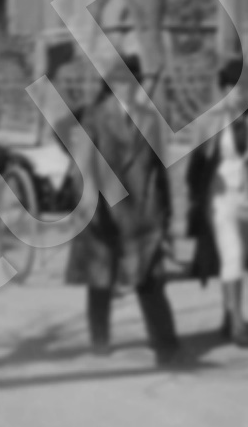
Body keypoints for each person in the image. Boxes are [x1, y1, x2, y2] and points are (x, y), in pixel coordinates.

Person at [64, 53, 180, 365]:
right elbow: (82, 168)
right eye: (120, 82)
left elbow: (159, 169)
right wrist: (90, 207)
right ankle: (100, 337)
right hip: (104, 209)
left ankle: (165, 344)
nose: (126, 88)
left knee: (150, 278)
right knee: (101, 278)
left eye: (131, 82)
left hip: (142, 210)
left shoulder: (150, 118)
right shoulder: (94, 117)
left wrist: (166, 211)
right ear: (112, 84)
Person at [186, 57, 248, 347]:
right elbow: (195, 165)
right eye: (237, 87)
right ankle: (238, 323)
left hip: (247, 196)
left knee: (237, 259)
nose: (242, 93)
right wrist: (196, 196)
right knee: (232, 254)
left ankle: (228, 314)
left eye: (247, 88)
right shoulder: (209, 120)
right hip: (219, 196)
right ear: (224, 88)